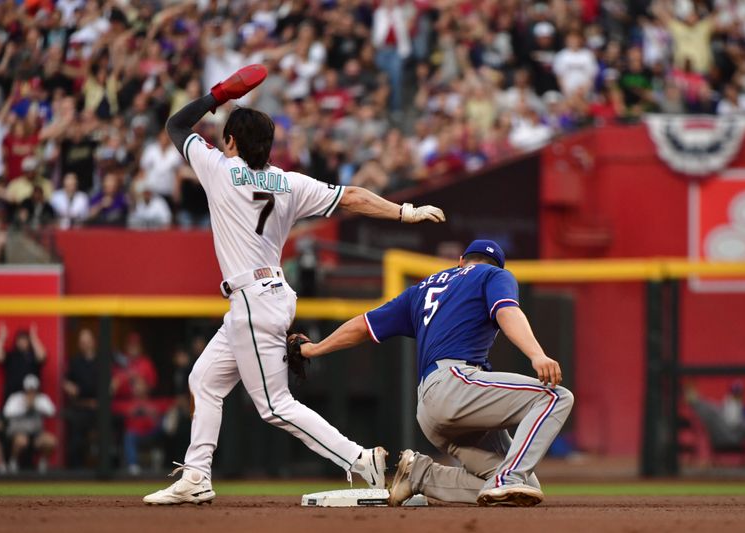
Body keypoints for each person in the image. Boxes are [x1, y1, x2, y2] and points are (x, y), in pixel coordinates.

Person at [143, 64, 445, 505]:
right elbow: (355, 197)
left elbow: (175, 124)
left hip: (251, 298)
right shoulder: (289, 181)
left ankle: (362, 460)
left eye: (226, 138)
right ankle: (196, 475)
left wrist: (219, 94)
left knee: (274, 406)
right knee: (204, 379)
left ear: (230, 142)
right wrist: (405, 213)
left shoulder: (218, 169)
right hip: (272, 295)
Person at [296, 240, 574, 507]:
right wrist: (536, 354)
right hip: (455, 384)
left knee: (525, 490)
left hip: (429, 409)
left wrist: (315, 349)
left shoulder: (420, 291)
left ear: (461, 261)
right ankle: (508, 476)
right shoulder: (493, 275)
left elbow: (363, 325)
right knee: (555, 398)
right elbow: (506, 311)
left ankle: (421, 475)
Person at [3, 374, 57, 474]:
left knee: (51, 441)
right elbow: (7, 413)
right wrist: (25, 406)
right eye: (29, 389)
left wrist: (35, 405)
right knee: (22, 441)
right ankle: (13, 461)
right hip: (18, 432)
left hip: (36, 434)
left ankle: (43, 462)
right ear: (24, 388)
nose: (31, 392)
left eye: (33, 389)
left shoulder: (41, 399)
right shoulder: (16, 398)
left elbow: (52, 411)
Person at [63, 328, 99, 469]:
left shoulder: (102, 360)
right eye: (82, 342)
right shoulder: (75, 362)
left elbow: (113, 381)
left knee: (108, 434)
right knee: (76, 438)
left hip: (99, 408)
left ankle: (108, 470)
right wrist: (68, 386)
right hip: (81, 407)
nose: (84, 344)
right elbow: (66, 381)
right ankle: (76, 472)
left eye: (87, 341)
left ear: (93, 343)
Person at [0, 322, 47, 402]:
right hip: (11, 397)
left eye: (25, 340)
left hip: (31, 398)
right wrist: (2, 338)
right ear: (16, 341)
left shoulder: (34, 355)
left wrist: (34, 338)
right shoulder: (11, 355)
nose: (22, 342)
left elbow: (42, 356)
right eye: (20, 340)